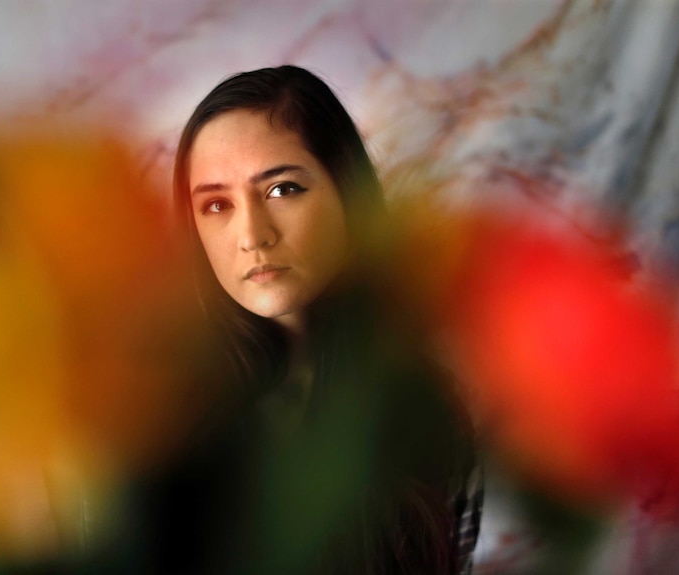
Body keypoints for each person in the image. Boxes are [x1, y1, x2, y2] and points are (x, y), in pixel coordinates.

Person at [155, 65, 482, 575]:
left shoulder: (434, 409)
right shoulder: (154, 418)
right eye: (216, 204)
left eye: (282, 189)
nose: (252, 235)